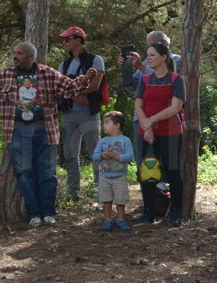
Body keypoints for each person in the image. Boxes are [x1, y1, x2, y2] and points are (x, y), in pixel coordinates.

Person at [0, 42, 96, 226]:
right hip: (17, 132)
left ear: (30, 57)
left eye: (19, 53)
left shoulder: (47, 73)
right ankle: (33, 215)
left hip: (45, 130)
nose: (15, 56)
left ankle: (49, 213)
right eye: (14, 52)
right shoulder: (6, 74)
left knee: (47, 174)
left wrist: (84, 79)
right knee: (25, 174)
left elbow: (69, 87)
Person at [135, 42, 186, 227]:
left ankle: (176, 212)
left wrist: (151, 121)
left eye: (152, 55)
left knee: (172, 172)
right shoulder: (145, 79)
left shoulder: (176, 79)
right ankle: (148, 211)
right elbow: (138, 106)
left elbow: (175, 107)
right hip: (146, 133)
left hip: (171, 133)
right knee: (148, 171)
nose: (147, 58)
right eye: (147, 54)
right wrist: (147, 126)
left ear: (164, 57)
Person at [119, 30, 182, 172]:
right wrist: (126, 68)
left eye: (152, 44)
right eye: (148, 46)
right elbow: (132, 87)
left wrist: (141, 67)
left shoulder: (177, 60)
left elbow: (168, 80)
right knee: (146, 161)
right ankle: (148, 192)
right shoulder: (147, 61)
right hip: (142, 118)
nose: (149, 49)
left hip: (166, 117)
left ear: (164, 43)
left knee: (168, 163)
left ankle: (166, 192)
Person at [57, 26, 105, 201]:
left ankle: (100, 193)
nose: (64, 43)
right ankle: (73, 194)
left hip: (88, 113)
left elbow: (94, 86)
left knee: (95, 154)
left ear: (78, 40)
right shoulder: (64, 64)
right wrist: (74, 95)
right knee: (70, 154)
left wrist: (75, 93)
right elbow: (59, 87)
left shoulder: (95, 60)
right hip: (68, 114)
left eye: (67, 39)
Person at [92, 111, 134, 231]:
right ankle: (108, 219)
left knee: (120, 198)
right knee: (106, 198)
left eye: (107, 122)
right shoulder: (102, 142)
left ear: (117, 125)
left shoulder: (125, 140)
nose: (104, 125)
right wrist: (102, 155)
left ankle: (120, 219)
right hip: (104, 176)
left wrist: (117, 157)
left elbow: (130, 156)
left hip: (120, 176)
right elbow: (94, 156)